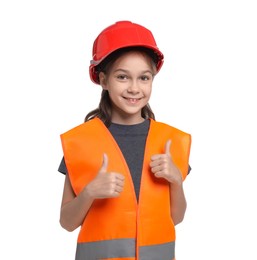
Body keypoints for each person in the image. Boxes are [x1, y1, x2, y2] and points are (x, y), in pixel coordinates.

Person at [58, 20, 192, 260]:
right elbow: (67, 223)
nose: (134, 88)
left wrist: (176, 181)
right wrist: (89, 193)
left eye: (144, 78)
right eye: (122, 77)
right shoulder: (81, 142)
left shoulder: (172, 141)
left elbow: (177, 217)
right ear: (103, 80)